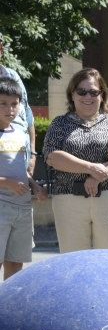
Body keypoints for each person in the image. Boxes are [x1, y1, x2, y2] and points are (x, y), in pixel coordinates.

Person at [44, 68, 108, 253]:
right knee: (74, 262)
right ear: (72, 94)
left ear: (102, 96)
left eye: (94, 92)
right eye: (82, 91)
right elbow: (52, 156)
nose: (88, 96)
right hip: (69, 200)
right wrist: (91, 167)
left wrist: (100, 175)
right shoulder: (59, 124)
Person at [0, 77, 45, 278]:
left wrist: (35, 186)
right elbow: (10, 178)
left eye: (14, 104)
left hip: (24, 208)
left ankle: (8, 308)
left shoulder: (20, 133)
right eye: (3, 103)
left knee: (16, 263)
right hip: (2, 207)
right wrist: (7, 183)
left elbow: (21, 171)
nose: (10, 109)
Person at [0, 36, 35, 158]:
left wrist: (33, 153)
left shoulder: (12, 76)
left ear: (1, 49)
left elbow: (26, 112)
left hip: (21, 152)